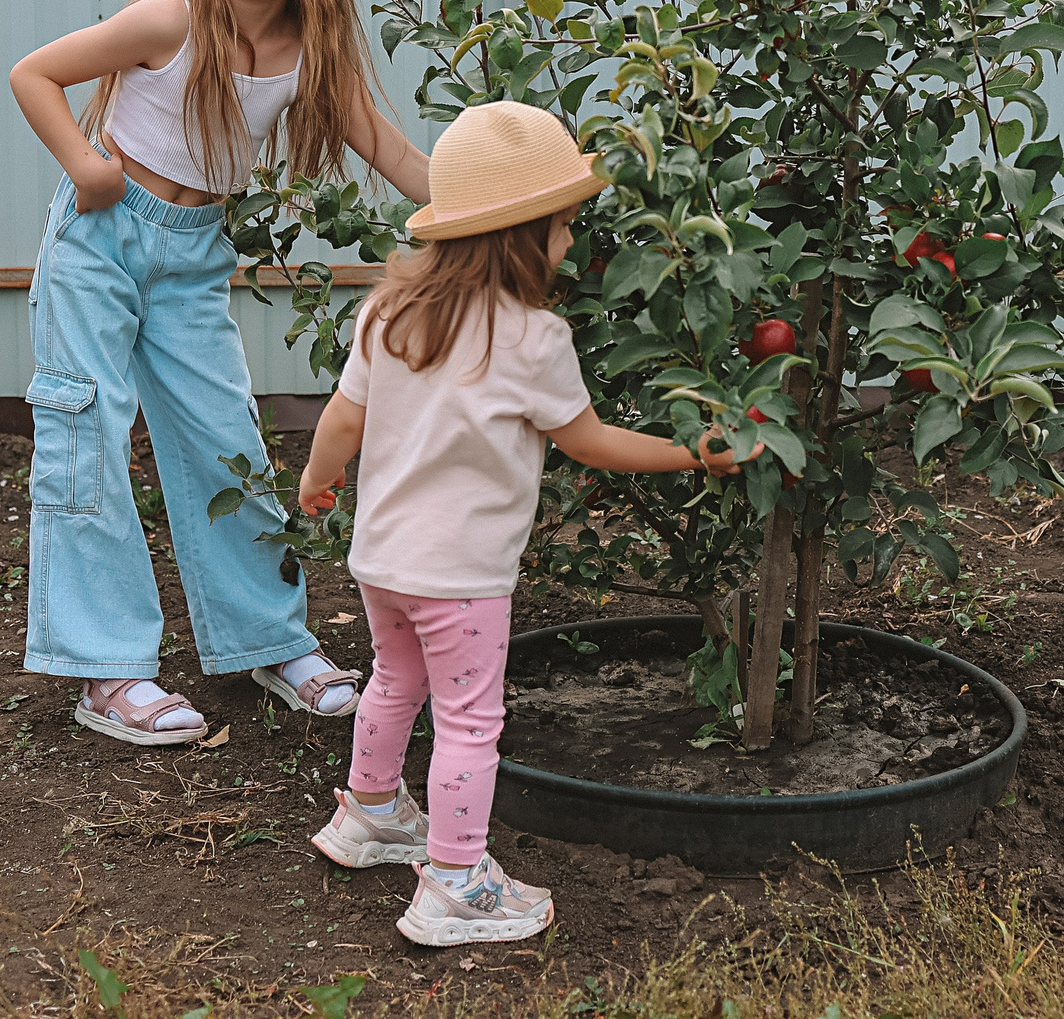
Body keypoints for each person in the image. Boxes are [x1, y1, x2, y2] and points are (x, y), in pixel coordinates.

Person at [294, 101, 753, 948]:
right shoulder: (534, 336)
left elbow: (342, 420)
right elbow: (591, 443)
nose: (572, 245)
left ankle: (367, 816)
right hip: (460, 577)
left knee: (394, 682)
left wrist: (318, 481)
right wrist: (697, 453)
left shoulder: (386, 312)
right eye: (566, 226)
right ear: (519, 236)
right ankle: (457, 884)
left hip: (381, 560)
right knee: (471, 723)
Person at [8, 0, 432, 746]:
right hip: (102, 243)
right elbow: (33, 73)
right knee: (88, 433)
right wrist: (86, 166)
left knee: (224, 436)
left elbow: (396, 156)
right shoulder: (173, 19)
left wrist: (488, 208)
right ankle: (106, 667)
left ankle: (266, 638)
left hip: (194, 257)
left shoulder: (309, 50)